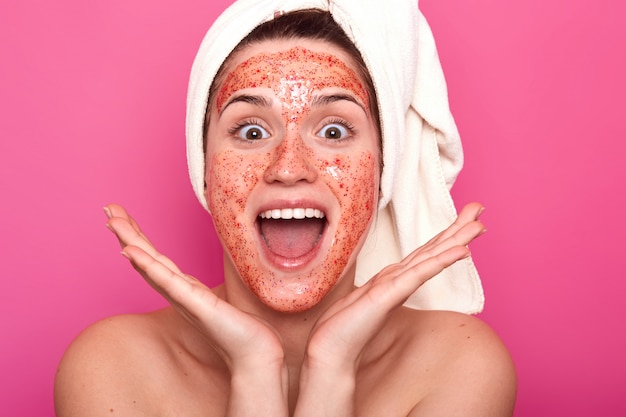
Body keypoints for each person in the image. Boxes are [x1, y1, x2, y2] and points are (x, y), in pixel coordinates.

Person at [54, 1, 517, 416]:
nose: (289, 167)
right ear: (204, 172)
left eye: (334, 131)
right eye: (251, 132)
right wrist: (255, 369)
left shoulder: (460, 366)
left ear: (383, 174)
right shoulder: (114, 367)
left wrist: (331, 367)